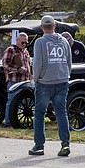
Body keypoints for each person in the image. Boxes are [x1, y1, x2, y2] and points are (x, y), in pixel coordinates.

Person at [29, 15, 72, 157]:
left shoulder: (40, 42)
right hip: (62, 80)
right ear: (54, 26)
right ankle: (65, 143)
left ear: (42, 27)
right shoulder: (64, 41)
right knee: (61, 112)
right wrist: (66, 75)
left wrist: (36, 79)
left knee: (39, 113)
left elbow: (37, 64)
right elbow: (69, 61)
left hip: (45, 82)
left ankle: (39, 145)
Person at [1, 32, 33, 127]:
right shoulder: (11, 50)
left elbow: (28, 65)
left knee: (26, 101)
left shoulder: (25, 51)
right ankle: (8, 122)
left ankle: (19, 121)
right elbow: (5, 64)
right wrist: (17, 69)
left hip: (25, 80)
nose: (24, 44)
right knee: (11, 101)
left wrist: (30, 75)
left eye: (26, 42)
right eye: (22, 42)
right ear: (17, 41)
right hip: (14, 80)